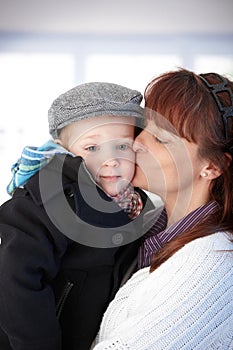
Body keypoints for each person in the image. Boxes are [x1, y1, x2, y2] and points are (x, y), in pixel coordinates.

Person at [0, 82, 154, 350]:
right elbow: (14, 278)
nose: (110, 160)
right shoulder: (48, 200)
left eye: (121, 146)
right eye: (92, 148)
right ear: (64, 151)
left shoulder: (137, 204)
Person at [91, 69, 233, 349]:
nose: (136, 142)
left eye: (162, 139)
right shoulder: (148, 225)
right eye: (144, 127)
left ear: (212, 167)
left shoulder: (214, 262)